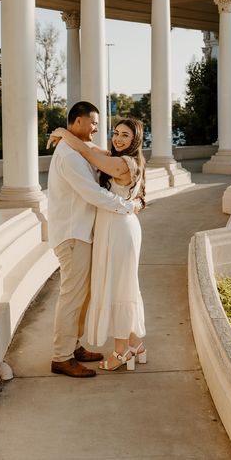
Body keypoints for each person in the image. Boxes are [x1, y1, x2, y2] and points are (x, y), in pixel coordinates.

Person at [47, 101, 142, 378]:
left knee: (82, 295)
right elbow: (93, 193)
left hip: (84, 233)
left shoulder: (78, 151)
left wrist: (63, 133)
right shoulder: (69, 156)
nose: (97, 128)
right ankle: (61, 357)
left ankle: (72, 346)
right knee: (72, 296)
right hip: (73, 234)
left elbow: (95, 154)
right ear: (77, 122)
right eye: (93, 122)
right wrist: (129, 206)